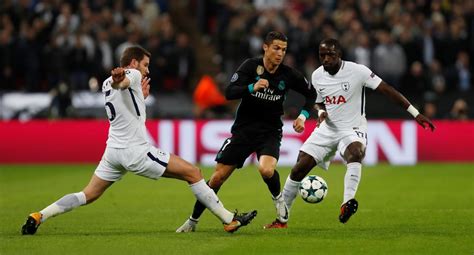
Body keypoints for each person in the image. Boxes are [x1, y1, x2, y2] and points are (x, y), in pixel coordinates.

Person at [21, 46, 257, 235]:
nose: (147, 70)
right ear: (133, 63)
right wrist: (121, 79)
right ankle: (228, 219)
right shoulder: (130, 75)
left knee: (87, 195)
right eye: (145, 65)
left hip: (113, 152)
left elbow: (120, 93)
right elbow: (121, 82)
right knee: (193, 173)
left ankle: (39, 215)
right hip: (135, 151)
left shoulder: (105, 83)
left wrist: (139, 97)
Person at [279, 38, 436, 227]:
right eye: (323, 55)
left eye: (331, 55)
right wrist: (321, 111)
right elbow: (316, 99)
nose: (326, 59)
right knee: (298, 169)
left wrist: (416, 113)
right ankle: (281, 219)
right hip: (328, 128)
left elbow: (387, 90)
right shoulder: (317, 75)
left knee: (356, 152)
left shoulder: (358, 71)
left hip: (353, 127)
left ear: (339, 55)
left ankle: (347, 202)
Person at [176, 31, 317, 232]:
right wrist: (252, 86)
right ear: (265, 47)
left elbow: (311, 93)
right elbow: (229, 92)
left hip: (270, 131)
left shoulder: (288, 74)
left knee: (266, 170)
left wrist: (303, 116)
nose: (280, 53)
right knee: (217, 178)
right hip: (243, 131)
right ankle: (193, 221)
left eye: (284, 50)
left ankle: (279, 204)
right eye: (276, 48)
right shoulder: (251, 66)